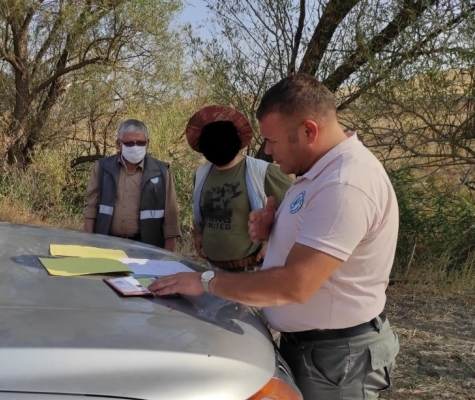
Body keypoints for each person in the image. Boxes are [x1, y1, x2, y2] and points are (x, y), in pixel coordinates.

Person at [149, 73, 400, 399]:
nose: (266, 151)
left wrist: (206, 283)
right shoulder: (317, 172)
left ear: (309, 131)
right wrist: (275, 228)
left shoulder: (344, 184)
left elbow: (294, 284)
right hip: (316, 349)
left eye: (273, 141)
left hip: (337, 358)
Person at [186, 105, 292, 272]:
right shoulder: (201, 174)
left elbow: (297, 210)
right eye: (211, 139)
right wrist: (198, 234)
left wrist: (273, 241)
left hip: (251, 270)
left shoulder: (262, 172)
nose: (217, 142)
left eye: (222, 138)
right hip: (212, 269)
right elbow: (200, 210)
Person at [83, 119, 181, 250]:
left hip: (146, 247)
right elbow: (90, 208)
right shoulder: (103, 168)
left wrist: (167, 254)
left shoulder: (161, 171)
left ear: (148, 143)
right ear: (119, 144)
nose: (135, 147)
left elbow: (171, 215)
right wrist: (89, 244)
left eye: (140, 143)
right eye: (129, 143)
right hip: (107, 244)